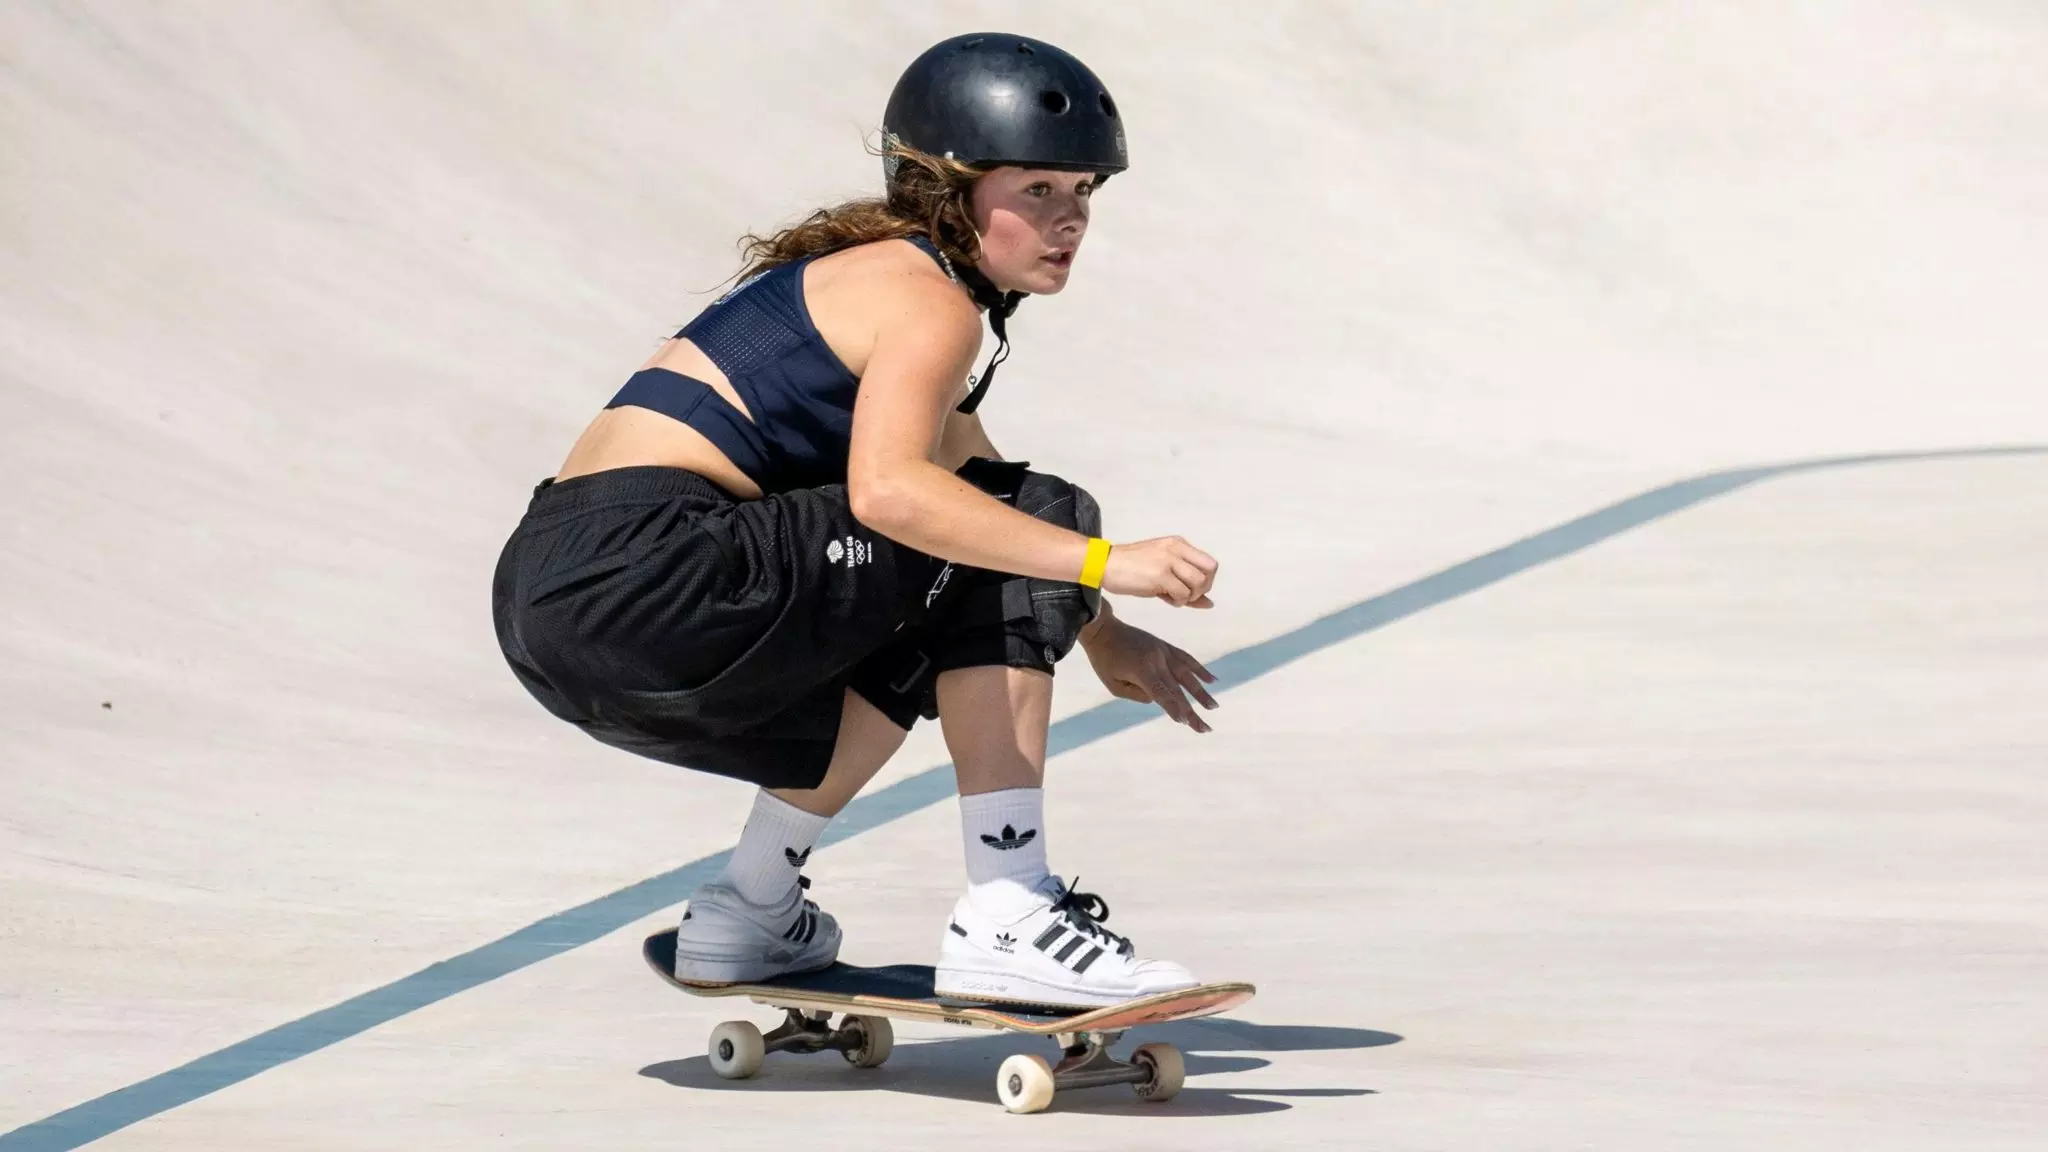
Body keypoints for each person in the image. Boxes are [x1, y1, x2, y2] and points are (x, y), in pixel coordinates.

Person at [491, 33, 1220, 1008]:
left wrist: (1097, 623)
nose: (1070, 219)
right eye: (1036, 190)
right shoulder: (931, 304)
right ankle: (1007, 908)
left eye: (1083, 191)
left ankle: (747, 906)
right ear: (946, 187)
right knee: (1027, 517)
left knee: (941, 594)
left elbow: (974, 504)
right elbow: (894, 495)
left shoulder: (879, 276)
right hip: (656, 565)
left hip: (556, 606)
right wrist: (1105, 559)